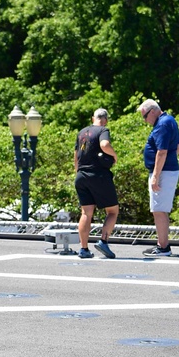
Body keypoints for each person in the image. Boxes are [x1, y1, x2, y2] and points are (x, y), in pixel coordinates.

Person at [138, 99, 179, 257]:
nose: (146, 121)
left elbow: (161, 151)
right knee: (159, 209)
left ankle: (163, 247)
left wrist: (156, 176)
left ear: (153, 111)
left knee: (158, 210)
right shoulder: (169, 120)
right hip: (168, 170)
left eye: (145, 117)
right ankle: (162, 244)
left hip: (163, 172)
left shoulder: (162, 124)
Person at [74, 108, 119, 259]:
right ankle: (103, 241)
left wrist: (78, 172)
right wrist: (114, 155)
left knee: (86, 213)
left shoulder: (81, 132)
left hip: (81, 175)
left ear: (93, 118)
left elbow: (76, 156)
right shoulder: (103, 130)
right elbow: (105, 144)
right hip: (98, 175)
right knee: (112, 211)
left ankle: (84, 249)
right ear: (105, 119)